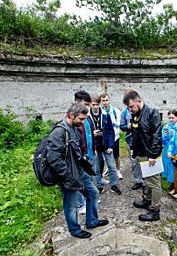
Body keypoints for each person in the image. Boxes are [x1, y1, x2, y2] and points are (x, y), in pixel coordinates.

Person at [46, 103, 108, 238]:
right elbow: (53, 158)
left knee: (93, 193)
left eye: (84, 119)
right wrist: (67, 175)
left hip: (80, 171)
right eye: (80, 119)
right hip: (68, 176)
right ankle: (74, 229)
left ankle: (92, 221)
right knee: (71, 204)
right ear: (70, 115)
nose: (82, 122)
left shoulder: (76, 128)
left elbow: (78, 150)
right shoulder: (59, 132)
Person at [124, 90, 162, 221]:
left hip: (150, 155)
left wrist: (153, 154)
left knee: (154, 182)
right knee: (146, 180)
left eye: (131, 106)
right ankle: (146, 200)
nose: (130, 110)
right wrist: (134, 151)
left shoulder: (152, 112)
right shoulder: (136, 114)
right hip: (140, 153)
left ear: (139, 101)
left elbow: (157, 135)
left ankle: (155, 211)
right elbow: (136, 134)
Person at [90, 94, 121, 195]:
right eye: (93, 104)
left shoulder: (105, 115)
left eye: (96, 104)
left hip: (106, 145)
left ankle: (114, 185)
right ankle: (99, 186)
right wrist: (92, 134)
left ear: (99, 104)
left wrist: (111, 145)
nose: (95, 107)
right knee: (97, 167)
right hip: (95, 146)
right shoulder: (87, 116)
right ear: (90, 104)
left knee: (112, 166)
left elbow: (111, 131)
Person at [120, 105, 144, 190]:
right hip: (130, 141)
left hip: (141, 141)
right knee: (134, 162)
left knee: (143, 160)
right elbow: (122, 126)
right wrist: (127, 126)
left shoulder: (140, 110)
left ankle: (145, 180)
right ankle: (138, 181)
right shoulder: (124, 112)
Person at [100, 93, 123, 180]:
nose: (105, 102)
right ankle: (108, 169)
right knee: (105, 155)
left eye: (106, 100)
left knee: (116, 155)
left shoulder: (116, 111)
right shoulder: (100, 111)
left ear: (109, 100)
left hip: (115, 136)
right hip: (104, 137)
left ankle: (118, 171)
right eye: (103, 101)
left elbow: (119, 124)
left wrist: (112, 121)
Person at [162, 110, 177, 195]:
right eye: (169, 118)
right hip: (167, 148)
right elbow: (163, 136)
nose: (171, 119)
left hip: (176, 149)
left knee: (175, 167)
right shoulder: (166, 126)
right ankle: (171, 183)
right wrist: (164, 137)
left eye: (172, 118)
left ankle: (176, 186)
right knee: (168, 166)